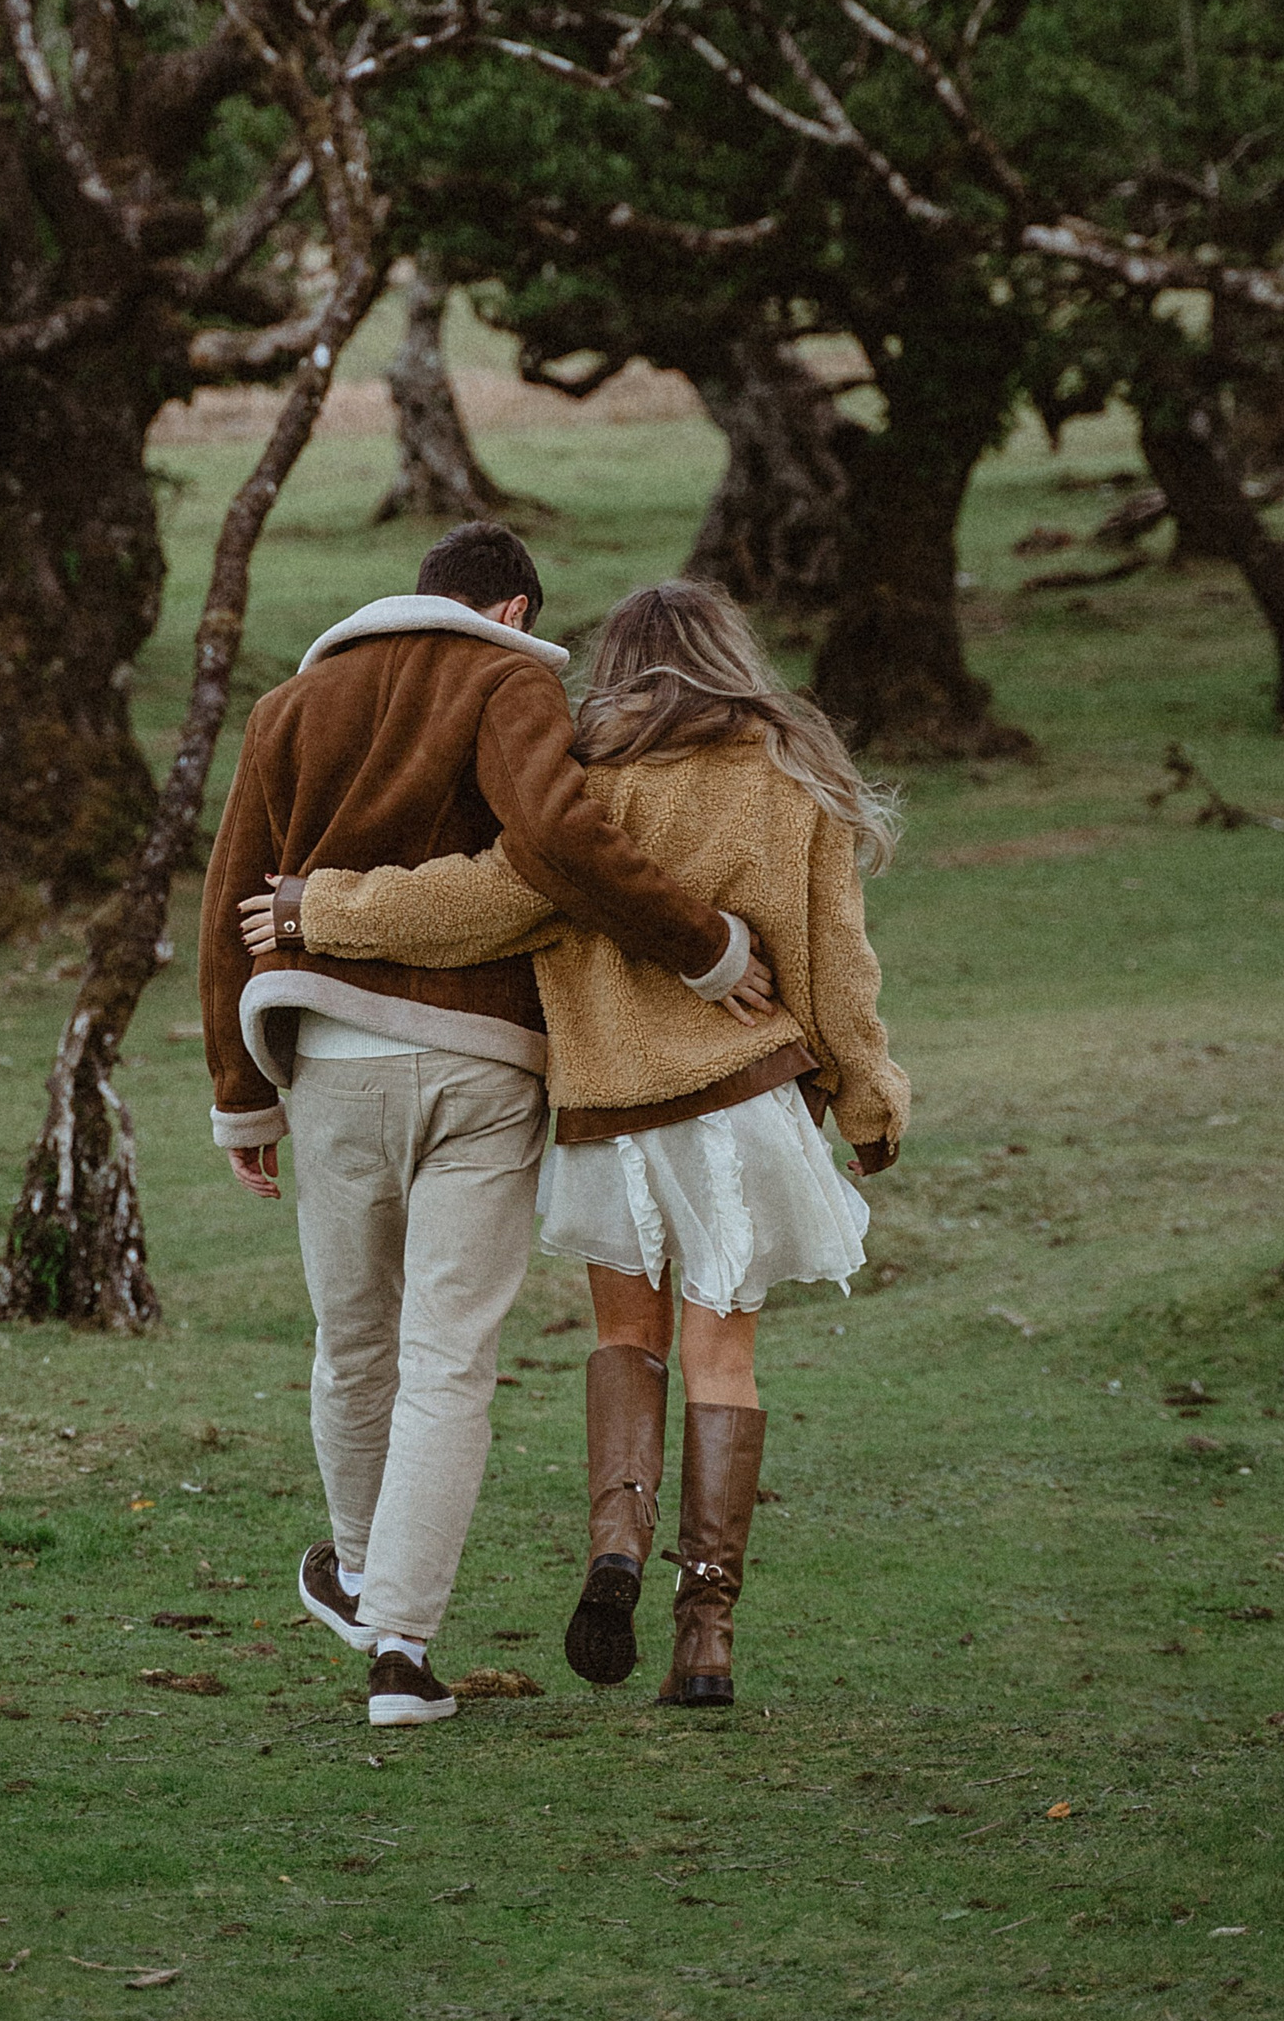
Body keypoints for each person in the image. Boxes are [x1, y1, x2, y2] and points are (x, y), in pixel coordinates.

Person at [238, 577, 907, 1710]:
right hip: (744, 1106)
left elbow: (477, 901)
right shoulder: (791, 781)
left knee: (625, 1341)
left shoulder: (588, 792)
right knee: (723, 1358)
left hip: (611, 1120)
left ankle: (615, 1551)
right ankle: (706, 1634)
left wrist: (320, 909)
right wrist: (869, 1102)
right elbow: (835, 969)